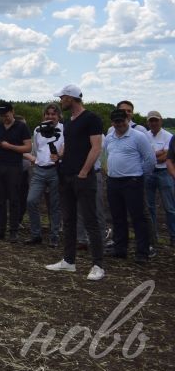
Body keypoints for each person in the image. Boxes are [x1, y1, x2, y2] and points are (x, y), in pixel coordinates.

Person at [46, 84, 106, 281]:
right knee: (69, 220)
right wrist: (60, 155)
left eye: (62, 98)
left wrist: (84, 171)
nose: (61, 101)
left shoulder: (92, 119)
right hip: (66, 175)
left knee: (91, 221)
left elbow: (96, 148)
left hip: (83, 177)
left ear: (71, 98)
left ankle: (98, 265)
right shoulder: (69, 122)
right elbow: (70, 146)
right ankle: (68, 261)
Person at [104, 108, 155, 263]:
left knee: (137, 218)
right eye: (116, 122)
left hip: (132, 181)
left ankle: (142, 252)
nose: (119, 124)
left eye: (122, 121)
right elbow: (107, 154)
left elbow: (150, 160)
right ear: (112, 123)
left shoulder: (138, 136)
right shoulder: (109, 137)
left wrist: (138, 175)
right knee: (117, 217)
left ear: (127, 120)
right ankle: (120, 249)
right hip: (113, 181)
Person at [0, 105, 31, 242]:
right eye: (2, 116)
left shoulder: (21, 127)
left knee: (14, 199)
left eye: (6, 115)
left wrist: (9, 146)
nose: (4, 118)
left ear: (12, 112)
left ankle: (13, 231)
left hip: (14, 167)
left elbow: (28, 147)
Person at [24, 104, 64, 246]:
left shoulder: (64, 129)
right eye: (47, 114)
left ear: (59, 116)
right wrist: (35, 160)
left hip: (56, 170)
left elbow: (67, 147)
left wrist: (60, 155)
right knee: (31, 201)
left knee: (54, 205)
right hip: (39, 170)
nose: (50, 116)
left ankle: (54, 237)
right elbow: (35, 149)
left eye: (53, 114)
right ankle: (36, 235)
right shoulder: (37, 130)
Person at [144, 111, 175, 246]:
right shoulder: (144, 136)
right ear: (148, 122)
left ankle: (173, 236)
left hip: (164, 172)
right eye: (151, 121)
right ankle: (153, 237)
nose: (154, 123)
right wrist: (157, 153)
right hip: (149, 173)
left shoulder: (169, 136)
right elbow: (144, 155)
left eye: (156, 120)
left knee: (169, 207)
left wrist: (152, 155)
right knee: (149, 207)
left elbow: (166, 157)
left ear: (161, 121)